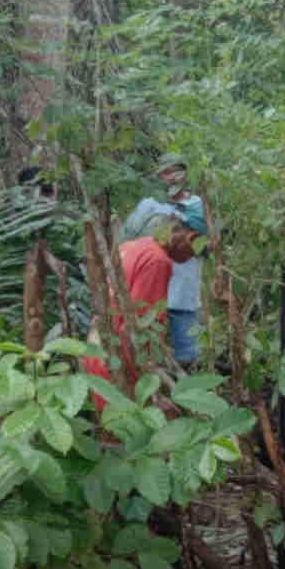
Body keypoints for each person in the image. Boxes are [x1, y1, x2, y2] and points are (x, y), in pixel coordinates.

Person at [83, 214, 199, 402]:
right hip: (117, 366)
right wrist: (151, 389)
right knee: (128, 428)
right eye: (196, 250)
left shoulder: (133, 246)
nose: (192, 257)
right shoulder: (158, 261)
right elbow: (139, 328)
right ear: (189, 237)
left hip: (98, 352)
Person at [123, 154, 208, 366]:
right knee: (146, 345)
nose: (171, 178)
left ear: (185, 174)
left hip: (184, 286)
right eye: (166, 172)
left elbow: (208, 243)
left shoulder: (197, 205)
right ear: (159, 176)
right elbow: (129, 238)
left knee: (188, 351)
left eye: (176, 171)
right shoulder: (149, 204)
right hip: (149, 283)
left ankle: (185, 392)